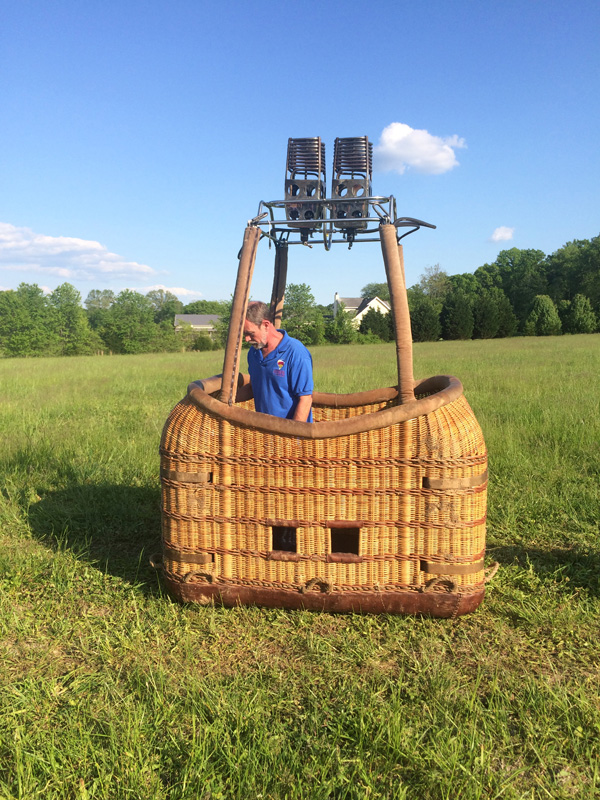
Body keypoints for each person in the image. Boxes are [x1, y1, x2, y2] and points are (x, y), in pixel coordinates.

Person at [243, 301, 313, 422]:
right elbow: (253, 388)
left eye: (250, 333)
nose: (247, 339)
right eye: (244, 334)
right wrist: (224, 398)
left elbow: (305, 399)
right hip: (265, 432)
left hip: (290, 434)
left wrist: (292, 436)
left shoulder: (296, 353)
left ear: (265, 325)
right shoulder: (254, 353)